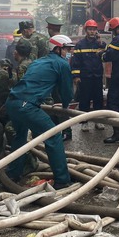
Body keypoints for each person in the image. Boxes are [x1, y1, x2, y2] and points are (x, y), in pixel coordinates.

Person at [5, 35, 75, 189]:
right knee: (53, 135)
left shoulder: (38, 61)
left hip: (12, 103)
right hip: (27, 105)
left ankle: (13, 174)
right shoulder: (62, 64)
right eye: (67, 49)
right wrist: (65, 106)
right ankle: (62, 180)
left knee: (20, 137)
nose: (68, 52)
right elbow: (66, 90)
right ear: (57, 49)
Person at [72, 19, 106, 132]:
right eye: (90, 29)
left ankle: (98, 121)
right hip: (85, 77)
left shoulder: (99, 43)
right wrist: (76, 76)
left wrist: (101, 41)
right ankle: (84, 122)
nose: (92, 31)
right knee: (84, 100)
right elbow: (75, 62)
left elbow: (105, 54)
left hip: (97, 76)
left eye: (94, 29)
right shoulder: (80, 45)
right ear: (86, 30)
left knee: (98, 99)